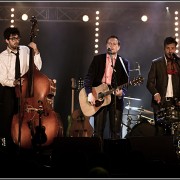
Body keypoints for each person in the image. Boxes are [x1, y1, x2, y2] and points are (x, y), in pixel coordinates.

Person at [0, 27, 42, 150]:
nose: (16, 41)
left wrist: (36, 51)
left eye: (18, 38)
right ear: (6, 40)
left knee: (28, 116)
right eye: (13, 39)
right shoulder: (2, 56)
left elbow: (37, 67)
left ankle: (27, 143)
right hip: (10, 90)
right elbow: (2, 79)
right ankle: (7, 145)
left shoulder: (25, 50)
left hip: (25, 90)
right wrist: (14, 82)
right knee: (8, 118)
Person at [83, 35, 130, 139]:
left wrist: (121, 93)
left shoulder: (124, 62)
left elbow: (126, 84)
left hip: (115, 100)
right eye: (109, 43)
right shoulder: (98, 59)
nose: (112, 46)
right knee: (98, 132)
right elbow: (88, 78)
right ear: (106, 45)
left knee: (116, 133)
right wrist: (89, 94)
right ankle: (98, 154)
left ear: (118, 47)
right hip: (99, 96)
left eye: (114, 44)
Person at [146, 36, 180, 135]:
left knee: (175, 133)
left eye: (172, 48)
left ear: (175, 49)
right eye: (168, 48)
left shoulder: (178, 63)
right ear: (164, 48)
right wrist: (155, 93)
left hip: (176, 102)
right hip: (160, 103)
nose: (170, 51)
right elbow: (150, 83)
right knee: (160, 132)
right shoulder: (156, 63)